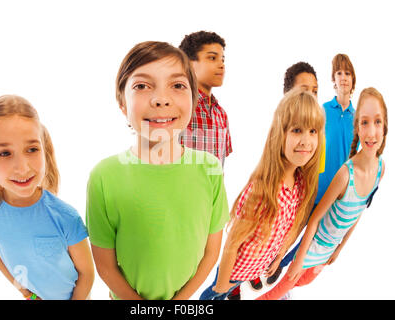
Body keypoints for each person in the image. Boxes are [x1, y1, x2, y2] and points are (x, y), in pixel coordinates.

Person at [86, 41, 229, 300]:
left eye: (177, 86)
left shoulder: (210, 169)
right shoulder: (103, 177)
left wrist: (179, 301)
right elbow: (105, 266)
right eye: (142, 86)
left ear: (194, 98)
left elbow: (211, 253)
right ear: (122, 104)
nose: (161, 99)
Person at [257, 87, 387, 300]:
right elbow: (315, 219)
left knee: (304, 281)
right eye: (364, 122)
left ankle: (284, 289)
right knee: (271, 295)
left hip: (327, 250)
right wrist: (299, 260)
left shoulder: (381, 170)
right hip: (312, 247)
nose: (372, 132)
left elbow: (358, 214)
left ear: (385, 126)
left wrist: (340, 248)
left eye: (378, 122)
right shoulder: (346, 174)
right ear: (357, 128)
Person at [199, 88, 324, 300]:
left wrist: (278, 258)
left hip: (253, 269)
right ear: (280, 134)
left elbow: (286, 229)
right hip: (231, 273)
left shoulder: (300, 183)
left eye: (313, 131)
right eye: (296, 130)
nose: (306, 141)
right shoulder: (262, 191)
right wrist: (221, 286)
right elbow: (232, 245)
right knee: (211, 296)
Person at [0, 95, 94, 300]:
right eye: (4, 153)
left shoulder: (66, 216)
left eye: (32, 149)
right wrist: (26, 293)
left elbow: (87, 274)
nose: (22, 167)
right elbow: (0, 258)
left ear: (45, 151)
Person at [265, 55, 357, 288]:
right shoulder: (321, 111)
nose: (344, 78)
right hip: (309, 189)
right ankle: (270, 269)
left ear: (353, 80)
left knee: (307, 245)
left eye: (348, 74)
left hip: (334, 197)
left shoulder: (358, 120)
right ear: (333, 80)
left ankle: (283, 278)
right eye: (339, 74)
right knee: (290, 233)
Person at [237, 62, 323, 297]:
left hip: (303, 194)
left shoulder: (317, 127)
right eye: (304, 90)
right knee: (265, 227)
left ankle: (276, 263)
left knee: (289, 232)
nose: (311, 96)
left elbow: (316, 166)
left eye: (315, 91)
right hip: (277, 192)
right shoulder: (283, 125)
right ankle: (253, 270)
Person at [179, 31, 232, 166]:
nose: (222, 65)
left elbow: (221, 164)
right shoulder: (178, 107)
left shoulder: (221, 114)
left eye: (223, 59)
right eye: (212, 58)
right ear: (189, 64)